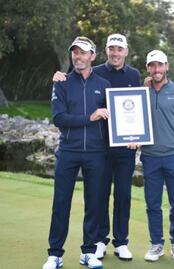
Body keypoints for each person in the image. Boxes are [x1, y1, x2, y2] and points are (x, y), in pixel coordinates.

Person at [52, 33, 141, 261]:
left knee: (115, 197)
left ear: (126, 51)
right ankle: (89, 244)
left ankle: (111, 244)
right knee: (89, 199)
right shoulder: (81, 77)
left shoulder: (128, 76)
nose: (115, 52)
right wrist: (59, 76)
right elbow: (61, 114)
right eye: (111, 48)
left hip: (116, 148)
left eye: (119, 49)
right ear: (104, 51)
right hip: (87, 148)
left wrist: (136, 134)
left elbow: (130, 109)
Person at [42, 36, 110, 269]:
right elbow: (59, 118)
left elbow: (115, 120)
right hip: (68, 151)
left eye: (83, 53)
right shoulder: (61, 83)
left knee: (94, 203)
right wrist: (89, 118)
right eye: (75, 52)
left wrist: (132, 137)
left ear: (92, 56)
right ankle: (55, 254)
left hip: (96, 152)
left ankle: (89, 252)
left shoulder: (104, 84)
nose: (78, 57)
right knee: (61, 203)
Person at [140, 50, 174, 262]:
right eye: (152, 66)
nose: (156, 69)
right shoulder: (141, 92)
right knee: (152, 204)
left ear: (167, 66)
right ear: (148, 68)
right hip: (150, 156)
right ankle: (156, 244)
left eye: (159, 65)